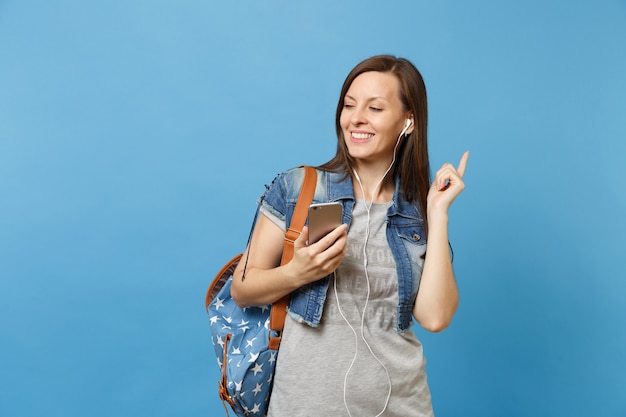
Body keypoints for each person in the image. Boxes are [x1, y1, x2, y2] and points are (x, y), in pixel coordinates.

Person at [231, 55, 469, 417]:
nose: (356, 118)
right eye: (349, 105)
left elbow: (435, 317)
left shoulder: (418, 210)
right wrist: (298, 273)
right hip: (304, 406)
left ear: (408, 121)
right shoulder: (299, 188)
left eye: (375, 108)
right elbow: (242, 289)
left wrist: (438, 213)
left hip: (401, 404)